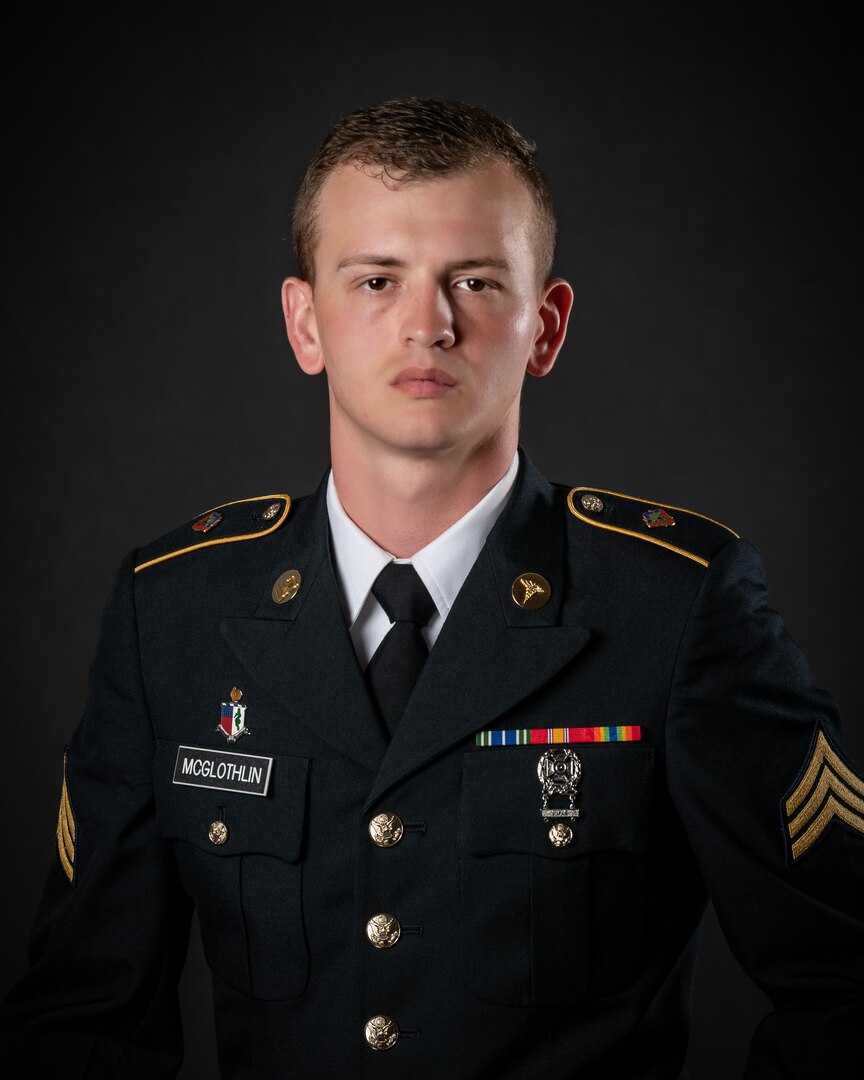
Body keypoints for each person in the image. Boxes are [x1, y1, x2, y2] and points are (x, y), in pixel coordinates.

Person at [1, 96, 862, 1080]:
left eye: (477, 282)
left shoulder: (672, 607)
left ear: (547, 326)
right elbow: (81, 1019)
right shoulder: (177, 611)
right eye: (376, 280)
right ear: (304, 322)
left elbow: (846, 982)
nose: (429, 325)